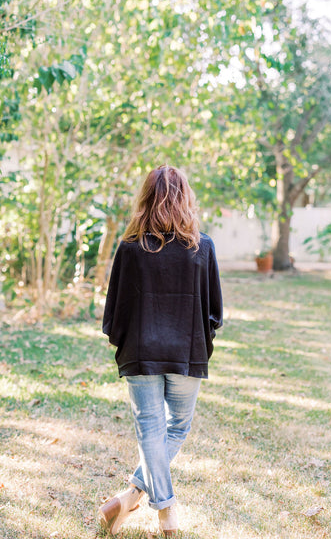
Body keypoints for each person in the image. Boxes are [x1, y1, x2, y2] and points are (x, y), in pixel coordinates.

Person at [98, 165, 223, 537]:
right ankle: (164, 510)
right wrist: (202, 341)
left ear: (145, 198)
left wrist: (122, 341)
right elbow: (214, 313)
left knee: (151, 430)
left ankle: (132, 495)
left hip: (141, 353)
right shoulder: (203, 247)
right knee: (176, 428)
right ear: (185, 198)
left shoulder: (130, 248)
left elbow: (114, 311)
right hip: (187, 352)